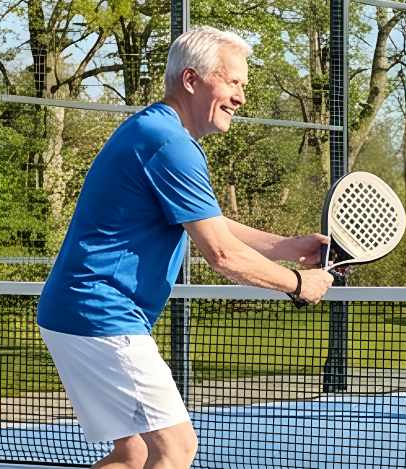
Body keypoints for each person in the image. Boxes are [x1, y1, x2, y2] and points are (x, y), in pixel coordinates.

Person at [34, 26, 336, 469]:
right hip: (101, 314)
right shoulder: (170, 143)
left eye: (243, 86)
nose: (240, 97)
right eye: (232, 82)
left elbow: (210, 223)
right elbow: (222, 254)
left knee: (132, 453)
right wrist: (297, 284)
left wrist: (286, 247)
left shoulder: (156, 131)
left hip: (76, 311)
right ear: (192, 80)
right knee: (176, 449)